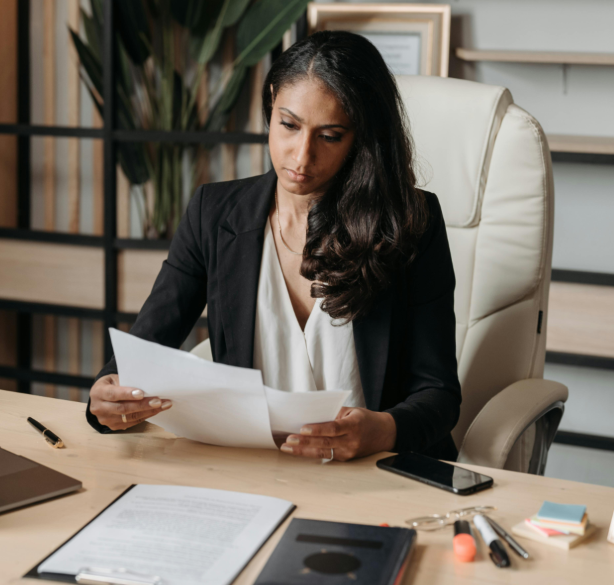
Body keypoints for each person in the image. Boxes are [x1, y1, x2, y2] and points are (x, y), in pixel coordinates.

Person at [86, 30, 461, 462]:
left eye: (330, 135)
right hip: (255, 468)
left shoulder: (411, 222)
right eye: (288, 125)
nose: (301, 158)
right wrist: (108, 393)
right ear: (270, 104)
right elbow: (145, 348)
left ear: (362, 137)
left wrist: (381, 431)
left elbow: (439, 395)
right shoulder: (215, 213)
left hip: (375, 470)